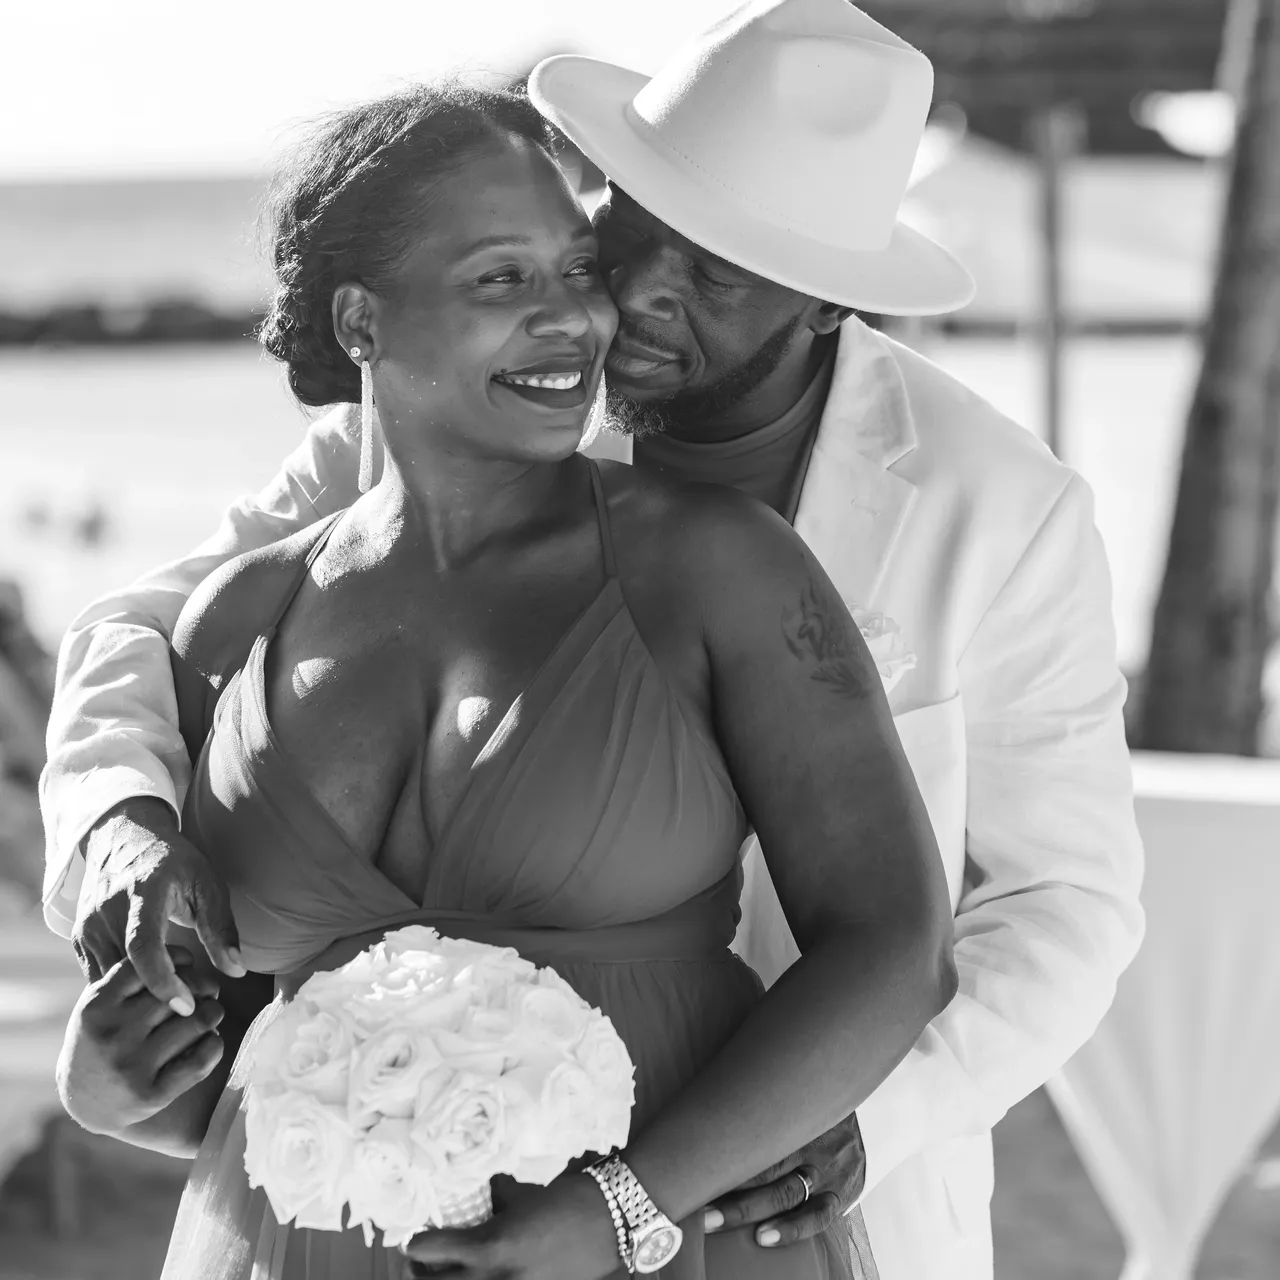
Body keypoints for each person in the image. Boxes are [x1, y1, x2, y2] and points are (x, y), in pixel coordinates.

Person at [43, 3, 1144, 1278]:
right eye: (627, 238)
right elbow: (143, 631)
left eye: (716, 277)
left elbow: (1064, 902)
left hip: (783, 1189)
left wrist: (865, 1114)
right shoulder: (436, 425)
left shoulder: (995, 505)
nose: (633, 300)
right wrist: (122, 823)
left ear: (828, 306)